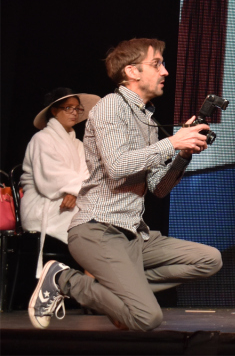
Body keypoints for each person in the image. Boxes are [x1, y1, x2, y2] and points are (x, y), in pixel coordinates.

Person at [28, 38, 223, 331]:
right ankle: (63, 279)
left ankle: (121, 296)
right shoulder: (111, 106)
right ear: (132, 71)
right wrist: (173, 142)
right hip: (98, 230)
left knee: (209, 260)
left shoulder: (146, 119)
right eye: (157, 64)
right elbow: (118, 166)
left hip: (133, 235)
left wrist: (182, 155)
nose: (165, 71)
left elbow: (159, 188)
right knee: (148, 317)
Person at [21, 88, 101, 277]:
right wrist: (75, 191)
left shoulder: (78, 144)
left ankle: (91, 285)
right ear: (54, 110)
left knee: (99, 217)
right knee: (90, 222)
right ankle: (89, 286)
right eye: (68, 108)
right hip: (43, 205)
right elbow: (51, 177)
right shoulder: (41, 139)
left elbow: (88, 174)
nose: (74, 112)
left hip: (72, 199)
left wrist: (74, 193)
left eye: (77, 108)